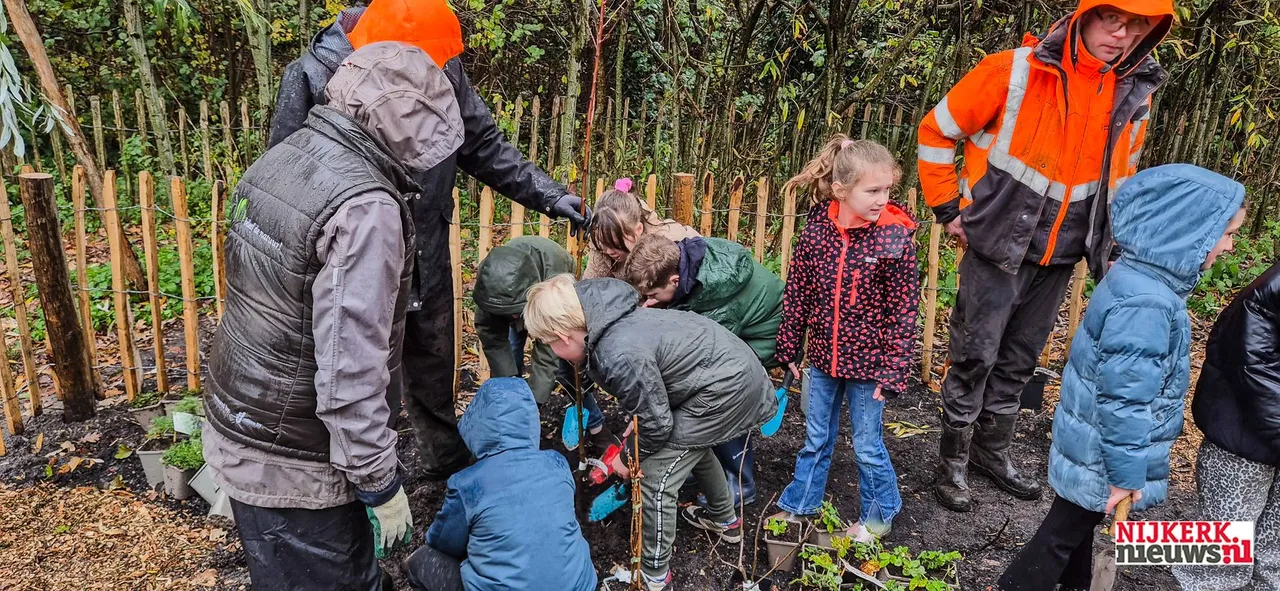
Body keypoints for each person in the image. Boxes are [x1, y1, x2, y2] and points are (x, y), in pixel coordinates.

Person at [270, 0, 591, 480]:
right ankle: (356, 477)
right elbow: (286, 183)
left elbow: (482, 145)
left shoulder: (440, 59)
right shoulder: (314, 74)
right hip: (353, 260)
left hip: (426, 247)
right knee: (357, 367)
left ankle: (444, 467)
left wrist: (551, 196)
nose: (431, 72)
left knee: (433, 363)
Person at [203, 42, 463, 590]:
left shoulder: (290, 154)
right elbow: (351, 362)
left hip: (244, 414)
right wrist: (378, 481)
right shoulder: (366, 208)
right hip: (297, 454)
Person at [917, 0, 1175, 513]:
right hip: (996, 246)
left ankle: (992, 453)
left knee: (1018, 362)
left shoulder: (1134, 94)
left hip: (1062, 254)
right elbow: (936, 130)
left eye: (1137, 27)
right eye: (1113, 21)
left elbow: (1119, 178)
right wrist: (949, 208)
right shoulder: (1013, 70)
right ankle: (951, 464)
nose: (1121, 36)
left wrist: (1111, 242)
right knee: (974, 356)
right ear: (1086, 16)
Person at [998, 164, 1247, 591]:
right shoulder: (1147, 304)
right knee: (1059, 537)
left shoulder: (1139, 281)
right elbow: (1126, 398)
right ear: (1189, 234)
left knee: (1075, 530)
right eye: (1225, 234)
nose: (1229, 246)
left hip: (1096, 443)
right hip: (1106, 452)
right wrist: (1124, 474)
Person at [523, 274, 776, 591]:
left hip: (726, 391)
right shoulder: (611, 321)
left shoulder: (617, 351)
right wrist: (638, 419)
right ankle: (726, 521)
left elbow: (656, 426)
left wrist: (625, 460)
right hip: (721, 375)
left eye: (549, 344)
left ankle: (655, 577)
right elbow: (655, 385)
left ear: (563, 336)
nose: (552, 351)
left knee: (656, 477)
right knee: (691, 448)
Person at [768, 136, 919, 542]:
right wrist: (788, 348)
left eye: (888, 190)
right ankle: (801, 502)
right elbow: (798, 293)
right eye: (873, 191)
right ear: (840, 190)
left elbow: (904, 312)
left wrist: (894, 372)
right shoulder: (816, 234)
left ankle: (879, 513)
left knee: (868, 445)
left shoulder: (894, 239)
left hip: (870, 368)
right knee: (816, 437)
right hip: (821, 359)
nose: (882, 199)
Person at [621, 232, 785, 506]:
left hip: (769, 334)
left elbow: (712, 357)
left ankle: (739, 483)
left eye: (651, 296)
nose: (648, 303)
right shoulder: (690, 265)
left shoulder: (716, 295)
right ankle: (705, 467)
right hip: (743, 325)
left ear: (674, 281)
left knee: (722, 392)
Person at [404, 378, 597, 591]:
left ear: (477, 425)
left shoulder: (467, 484)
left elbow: (441, 543)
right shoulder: (557, 464)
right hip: (579, 585)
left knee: (420, 561)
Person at [1172, 260, 1280, 590]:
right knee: (1222, 551)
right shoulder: (1267, 294)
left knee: (1274, 556)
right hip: (1243, 438)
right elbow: (1253, 366)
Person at [472, 236, 614, 453]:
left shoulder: (554, 276)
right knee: (509, 362)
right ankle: (512, 433)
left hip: (548, 299)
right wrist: (510, 386)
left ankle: (597, 427)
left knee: (567, 369)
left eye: (514, 314)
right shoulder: (491, 287)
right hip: (514, 300)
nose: (512, 319)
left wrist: (535, 401)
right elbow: (492, 337)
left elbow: (548, 352)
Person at [583, 179, 699, 280]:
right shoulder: (601, 238)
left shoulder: (666, 246)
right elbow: (591, 285)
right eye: (603, 243)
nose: (609, 251)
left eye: (616, 244)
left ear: (638, 229)